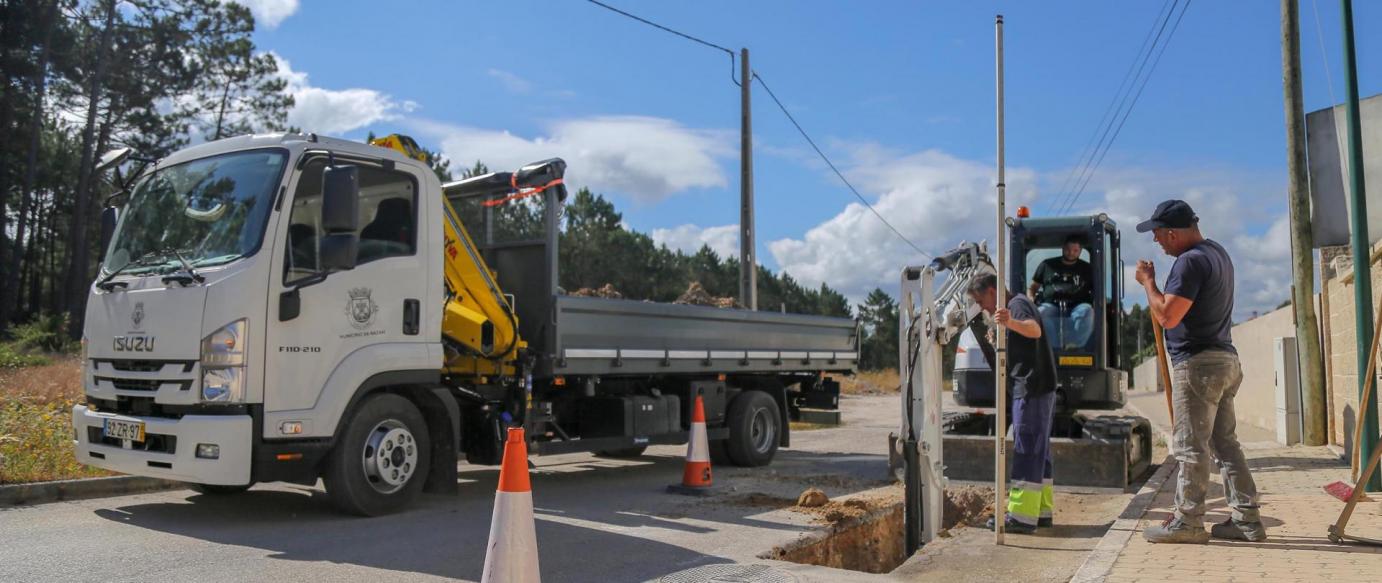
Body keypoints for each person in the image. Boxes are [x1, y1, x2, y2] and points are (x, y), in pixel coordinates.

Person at [1134, 199, 1267, 544]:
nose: (1156, 242)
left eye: (1159, 234)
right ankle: (1246, 520)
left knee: (1191, 447)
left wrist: (1148, 283)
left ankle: (1188, 521)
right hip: (1224, 358)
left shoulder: (1189, 262)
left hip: (1198, 365)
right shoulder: (1217, 253)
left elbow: (1168, 316)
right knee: (1226, 444)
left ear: (1174, 233)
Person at [970, 273, 1059, 533]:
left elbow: (1034, 329)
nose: (982, 307)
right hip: (1038, 386)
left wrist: (1009, 322)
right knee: (1039, 452)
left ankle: (1020, 517)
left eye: (981, 300)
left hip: (1031, 386)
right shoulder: (1016, 305)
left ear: (992, 291)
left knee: (1027, 448)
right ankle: (1040, 512)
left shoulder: (1016, 305)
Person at [1029, 234, 1095, 350]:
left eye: (1075, 250)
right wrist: (1030, 298)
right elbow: (1033, 287)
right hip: (1051, 305)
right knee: (1041, 312)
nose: (1071, 253)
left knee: (1087, 311)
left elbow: (1095, 289)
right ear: (1063, 249)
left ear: (1080, 251)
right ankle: (1051, 348)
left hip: (1077, 306)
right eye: (1068, 250)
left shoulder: (1087, 269)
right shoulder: (1047, 265)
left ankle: (1076, 346)